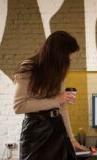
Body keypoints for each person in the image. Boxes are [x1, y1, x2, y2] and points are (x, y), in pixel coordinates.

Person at [13, 31, 88, 160]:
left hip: (57, 129)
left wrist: (72, 139)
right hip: (36, 132)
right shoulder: (29, 67)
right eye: (68, 54)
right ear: (58, 53)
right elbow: (19, 106)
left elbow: (62, 108)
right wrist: (56, 100)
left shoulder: (59, 71)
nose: (71, 58)